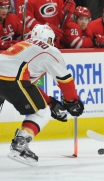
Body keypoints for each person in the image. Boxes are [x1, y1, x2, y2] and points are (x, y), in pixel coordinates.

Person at [0, 24, 84, 166]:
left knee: (43, 106)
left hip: (8, 74)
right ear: (50, 39)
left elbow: (28, 87)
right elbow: (65, 80)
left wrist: (50, 102)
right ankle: (20, 144)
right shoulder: (49, 49)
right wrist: (73, 101)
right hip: (13, 77)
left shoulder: (24, 44)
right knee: (42, 112)